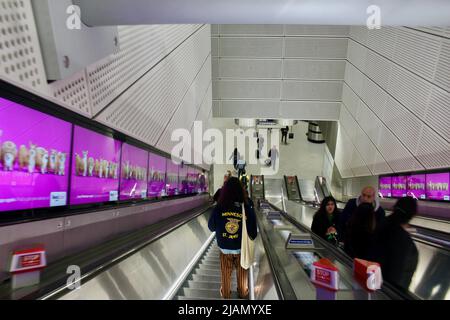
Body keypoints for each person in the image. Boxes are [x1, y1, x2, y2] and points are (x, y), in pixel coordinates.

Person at [208, 177, 258, 299]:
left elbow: (211, 227)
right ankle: (242, 292)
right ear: (240, 190)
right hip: (241, 250)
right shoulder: (245, 207)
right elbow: (253, 232)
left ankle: (225, 294)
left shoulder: (219, 208)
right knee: (242, 275)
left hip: (224, 249)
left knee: (225, 274)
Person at [370, 197, 418, 291]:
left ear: (394, 208)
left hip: (372, 281)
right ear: (412, 216)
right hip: (388, 291)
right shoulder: (405, 242)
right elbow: (401, 276)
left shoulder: (380, 225)